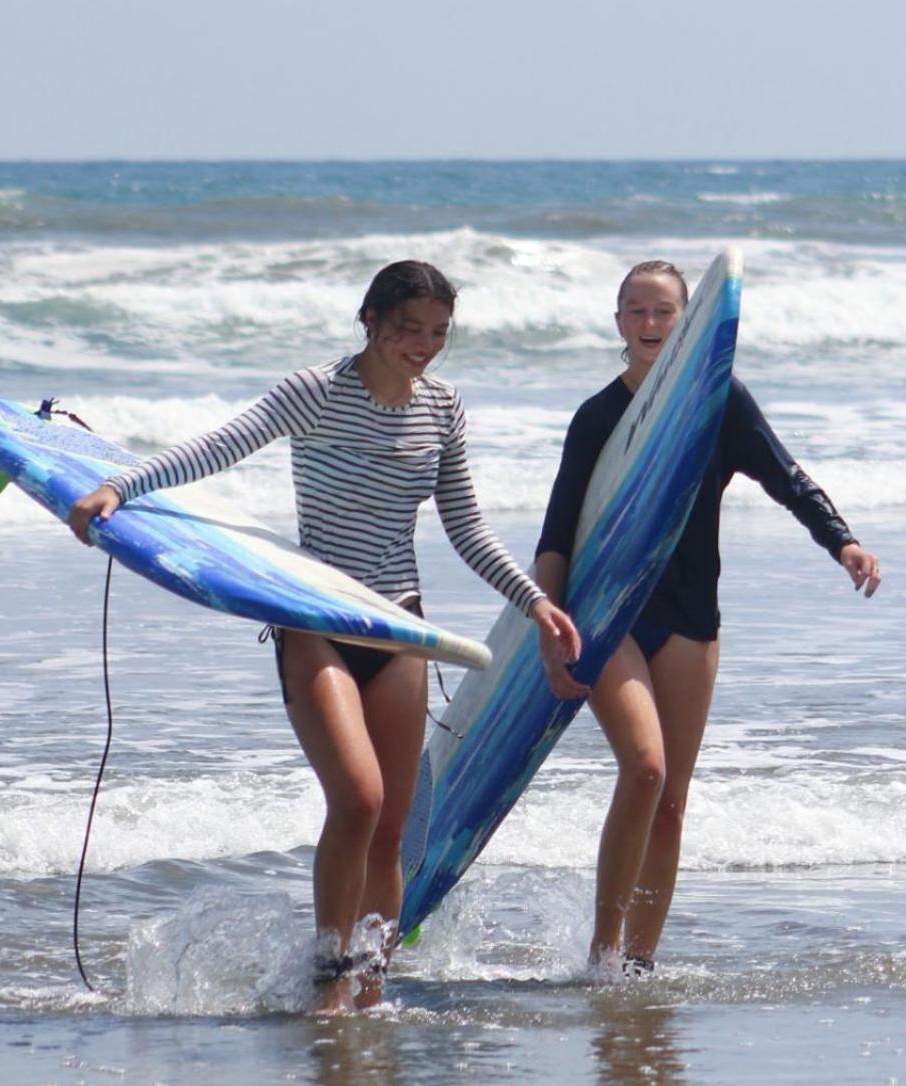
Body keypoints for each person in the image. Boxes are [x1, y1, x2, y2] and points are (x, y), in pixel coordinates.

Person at [69, 260, 582, 1012]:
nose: (424, 346)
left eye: (439, 332)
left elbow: (467, 527)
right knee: (359, 798)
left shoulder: (442, 409)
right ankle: (327, 975)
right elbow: (219, 447)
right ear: (371, 319)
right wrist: (122, 487)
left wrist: (534, 602)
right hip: (314, 617)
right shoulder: (315, 391)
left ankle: (369, 985)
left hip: (398, 623)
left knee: (392, 824)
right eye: (409, 329)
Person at [534, 259, 881, 977]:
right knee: (645, 768)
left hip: (692, 618)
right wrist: (548, 628)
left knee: (671, 804)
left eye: (665, 312)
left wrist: (842, 541)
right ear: (618, 322)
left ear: (689, 323)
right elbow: (557, 535)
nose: (650, 324)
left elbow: (787, 479)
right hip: (611, 616)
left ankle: (639, 964)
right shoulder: (598, 417)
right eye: (636, 310)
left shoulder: (718, 404)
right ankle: (601, 955)